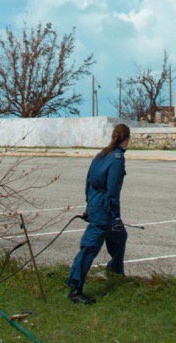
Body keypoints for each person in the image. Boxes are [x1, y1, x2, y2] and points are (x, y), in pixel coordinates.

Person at [66, 123, 131, 305]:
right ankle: (75, 287)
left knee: (119, 236)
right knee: (90, 247)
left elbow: (88, 183)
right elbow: (113, 191)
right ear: (127, 140)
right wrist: (116, 216)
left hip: (95, 203)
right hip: (105, 209)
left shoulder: (101, 155)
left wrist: (89, 207)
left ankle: (115, 272)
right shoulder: (117, 159)